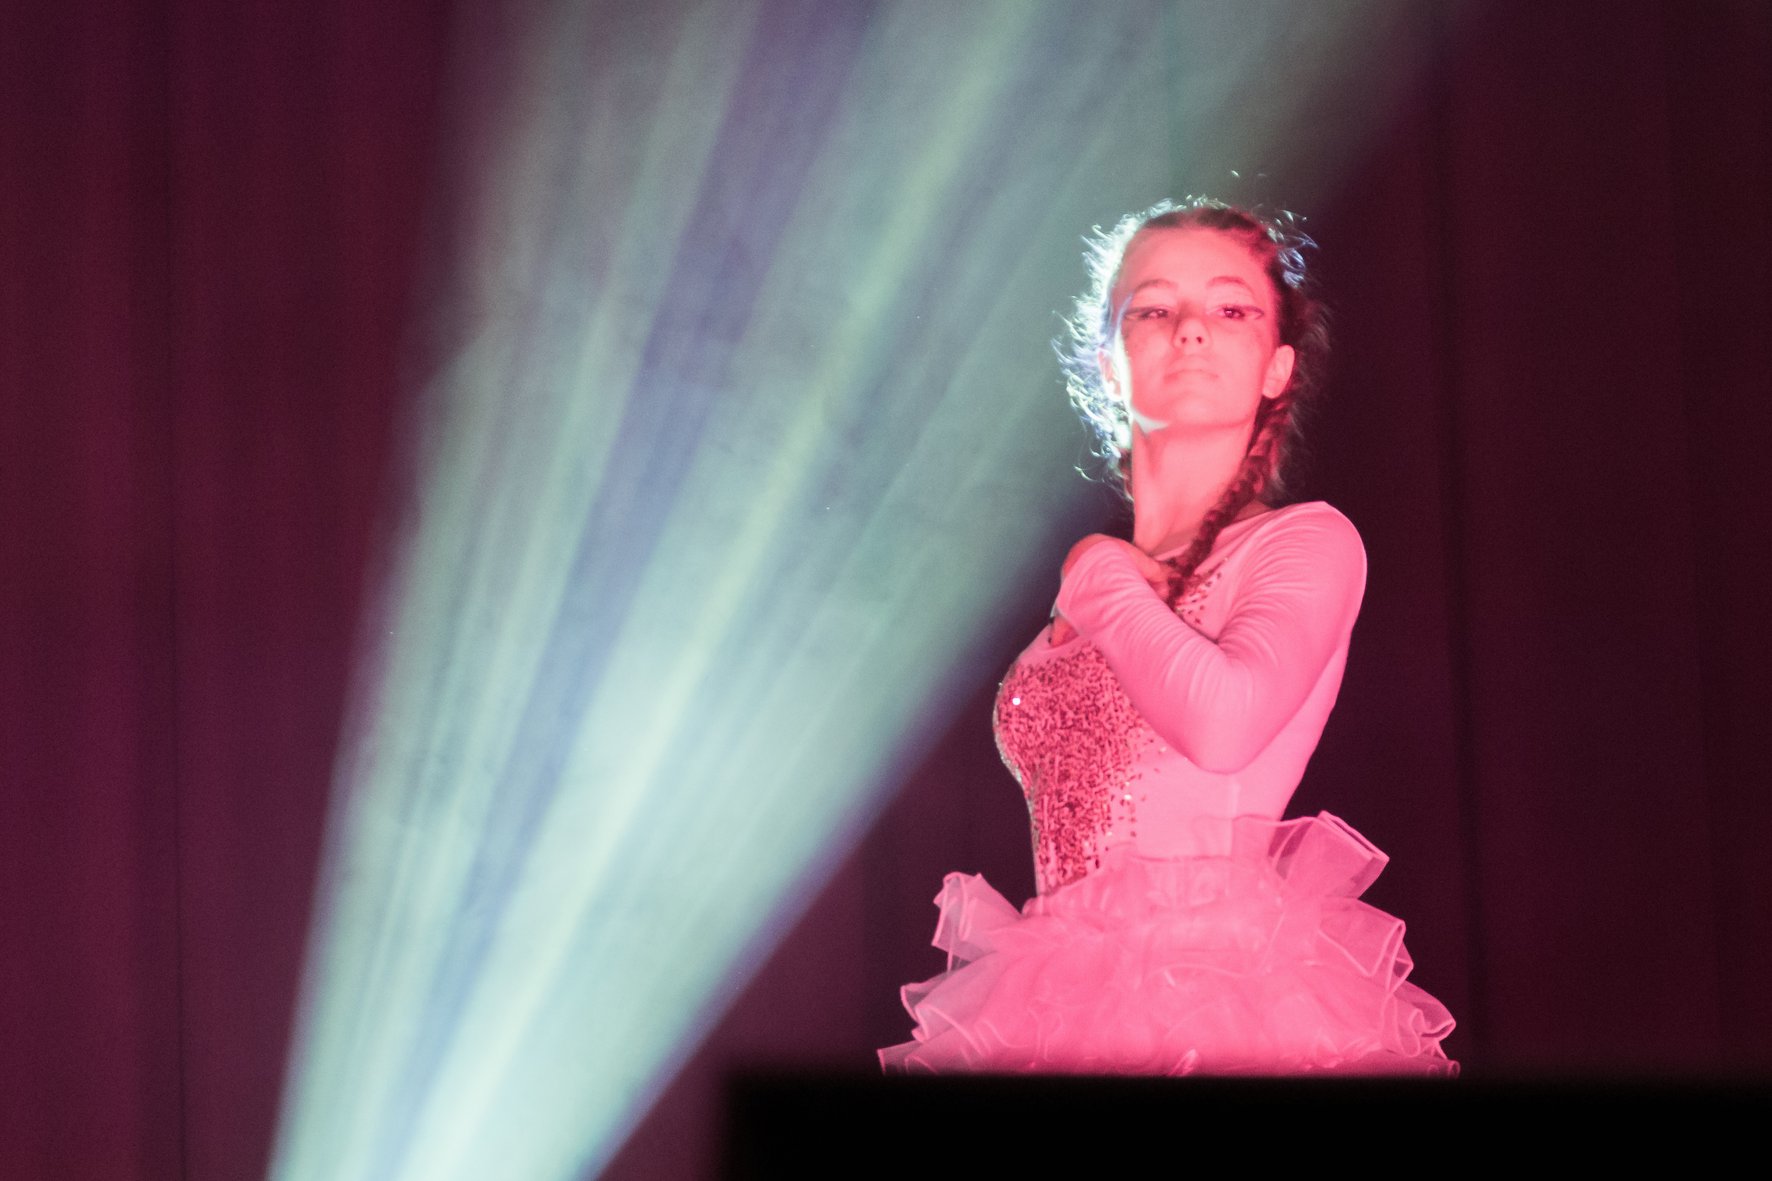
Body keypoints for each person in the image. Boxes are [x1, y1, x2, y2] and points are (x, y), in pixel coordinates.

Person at [878, 198, 1457, 1076]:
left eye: (1231, 308)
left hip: (1218, 999)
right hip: (1051, 999)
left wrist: (1096, 572)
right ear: (1108, 363)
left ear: (1278, 366)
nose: (1190, 329)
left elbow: (1223, 726)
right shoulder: (1095, 592)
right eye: (1154, 308)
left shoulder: (1300, 543)